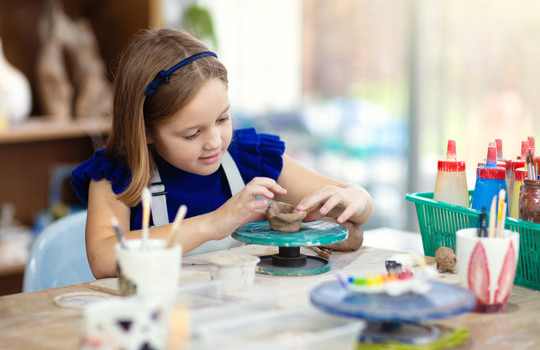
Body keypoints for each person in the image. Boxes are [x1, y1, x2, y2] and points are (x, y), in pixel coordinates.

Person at [71, 28, 372, 279]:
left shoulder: (249, 157)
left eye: (222, 119)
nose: (215, 142)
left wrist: (357, 198)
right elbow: (103, 258)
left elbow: (352, 202)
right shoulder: (117, 175)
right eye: (192, 133)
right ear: (145, 131)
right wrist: (214, 224)